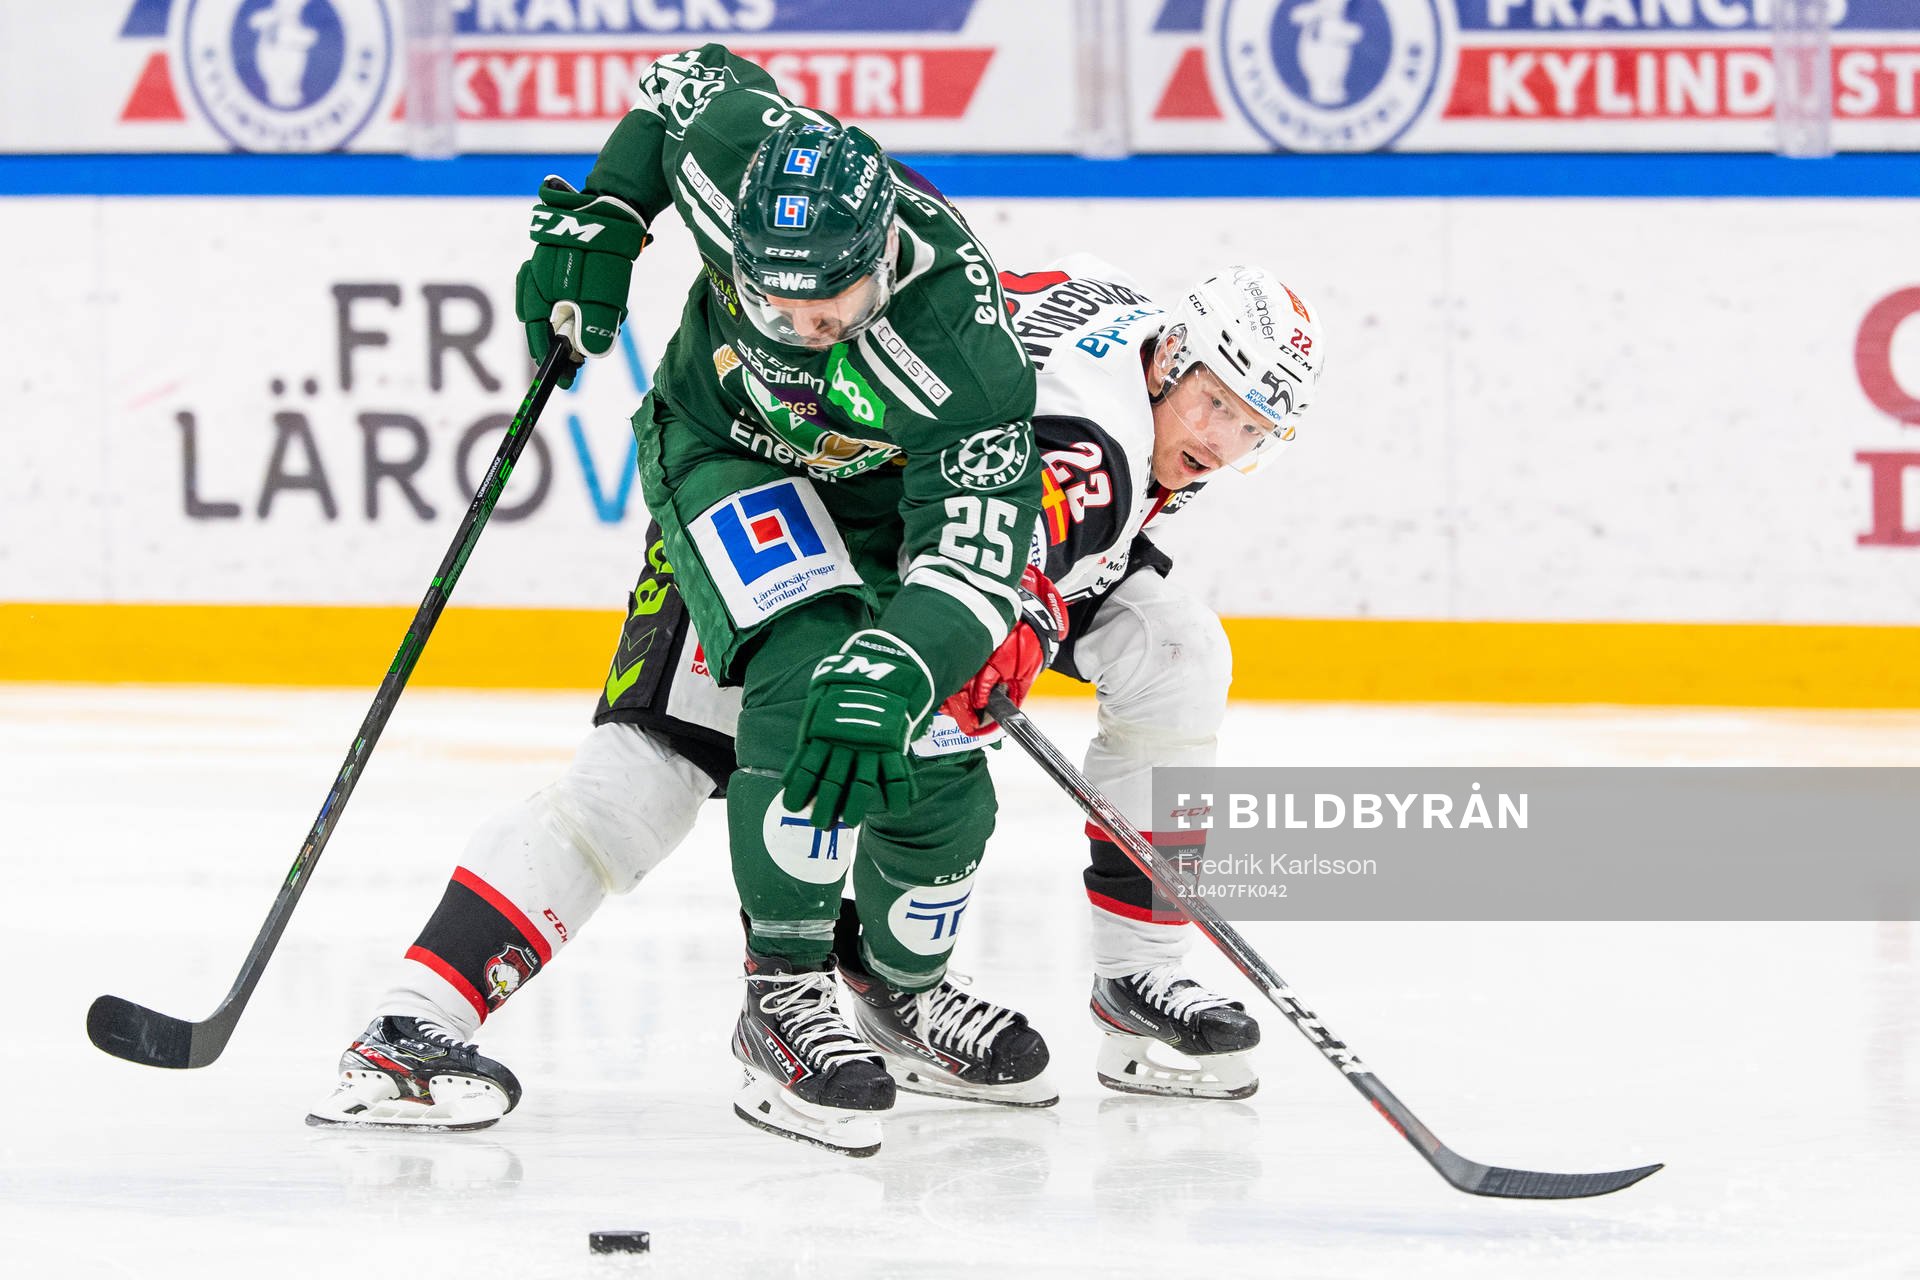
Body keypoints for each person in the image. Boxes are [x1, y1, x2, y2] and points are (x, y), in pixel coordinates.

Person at [307, 246, 1327, 1142]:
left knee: (1174, 649)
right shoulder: (1094, 436)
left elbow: (1031, 519)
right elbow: (1030, 527)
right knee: (643, 785)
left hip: (920, 526)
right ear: (1170, 357)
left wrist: (1022, 620)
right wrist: (1012, 623)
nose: (1224, 441)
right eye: (1214, 406)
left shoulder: (1132, 346)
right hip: (792, 508)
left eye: (1254, 426)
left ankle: (1105, 974)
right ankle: (411, 1022)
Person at [312, 44, 1052, 1158]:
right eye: (773, 299)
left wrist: (903, 666)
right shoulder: (732, 157)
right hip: (726, 460)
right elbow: (678, 83)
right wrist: (610, 211)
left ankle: (901, 994)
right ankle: (779, 999)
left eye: (834, 302)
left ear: (885, 254)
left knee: (927, 761)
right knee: (734, 718)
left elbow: (975, 556)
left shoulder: (964, 344)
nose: (803, 328)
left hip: (889, 516)